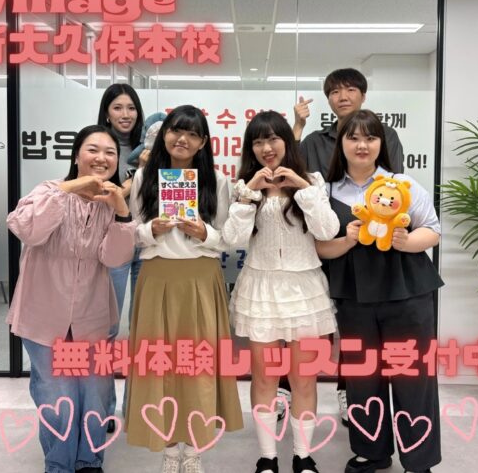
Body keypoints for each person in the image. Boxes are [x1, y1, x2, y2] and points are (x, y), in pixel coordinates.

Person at [315, 110, 443, 473]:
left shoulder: (401, 184)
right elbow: (319, 247)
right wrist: (347, 239)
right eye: (353, 137)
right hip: (353, 298)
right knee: (362, 377)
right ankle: (371, 452)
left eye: (370, 137)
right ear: (340, 144)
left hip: (408, 294)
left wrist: (407, 241)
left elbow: (432, 230)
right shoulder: (325, 191)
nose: (362, 145)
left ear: (381, 144)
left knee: (413, 377)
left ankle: (418, 459)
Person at [6, 125, 136, 473]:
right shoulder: (49, 190)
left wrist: (122, 211)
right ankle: (59, 465)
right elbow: (26, 228)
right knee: (57, 394)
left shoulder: (110, 204)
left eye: (110, 152)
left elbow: (115, 258)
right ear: (76, 155)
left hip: (92, 315)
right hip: (43, 314)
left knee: (94, 393)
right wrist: (71, 188)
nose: (102, 158)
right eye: (93, 149)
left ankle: (89, 460)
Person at [125, 105, 243, 473]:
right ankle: (168, 449)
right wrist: (152, 230)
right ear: (164, 134)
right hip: (157, 276)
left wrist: (204, 233)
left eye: (192, 134)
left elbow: (227, 238)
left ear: (203, 142)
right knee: (159, 363)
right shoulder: (144, 176)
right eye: (177, 130)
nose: (183, 139)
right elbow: (134, 231)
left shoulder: (217, 182)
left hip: (200, 278)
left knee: (198, 364)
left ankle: (192, 449)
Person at [223, 112, 339, 473]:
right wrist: (249, 194)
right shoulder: (243, 185)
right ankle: (267, 458)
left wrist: (301, 186)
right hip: (261, 288)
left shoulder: (313, 180)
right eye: (258, 141)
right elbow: (232, 240)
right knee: (265, 377)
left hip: (304, 289)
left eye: (273, 139)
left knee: (304, 378)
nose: (266, 148)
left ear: (287, 142)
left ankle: (303, 456)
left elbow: (327, 230)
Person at [290, 68, 406, 426]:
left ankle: (348, 390)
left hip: (369, 245)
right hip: (322, 243)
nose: (343, 96)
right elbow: (292, 176)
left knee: (356, 329)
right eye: (335, 91)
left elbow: (394, 185)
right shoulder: (314, 141)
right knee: (307, 323)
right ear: (328, 99)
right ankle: (290, 389)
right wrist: (297, 127)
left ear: (363, 95)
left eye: (350, 89)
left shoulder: (385, 135)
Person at [97, 83, 147, 425]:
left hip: (145, 242)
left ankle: (135, 407)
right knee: (107, 327)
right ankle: (102, 409)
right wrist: (134, 175)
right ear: (106, 112)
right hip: (112, 241)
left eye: (131, 107)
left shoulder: (152, 146)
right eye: (118, 107)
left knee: (142, 329)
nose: (125, 114)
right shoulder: (99, 147)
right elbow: (99, 191)